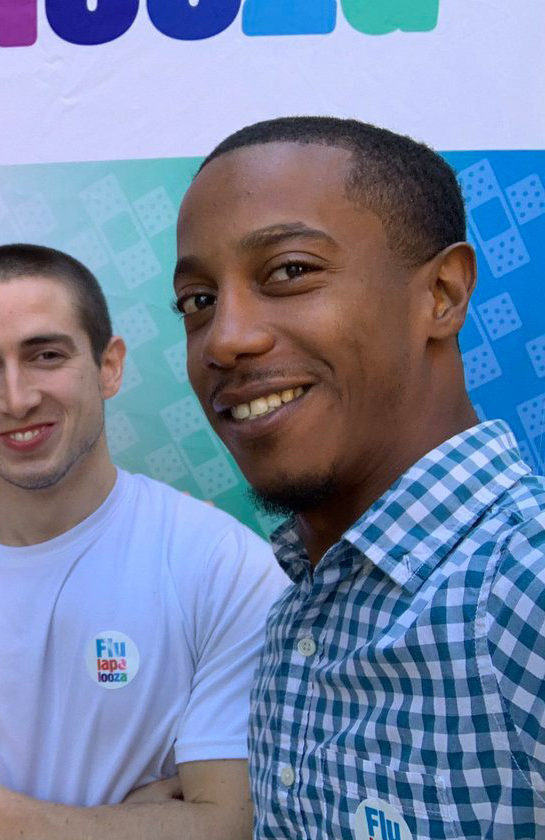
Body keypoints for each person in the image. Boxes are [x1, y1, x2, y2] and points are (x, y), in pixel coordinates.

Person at [0, 244, 288, 840]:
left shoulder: (224, 567)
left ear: (109, 365)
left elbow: (234, 827)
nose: (16, 397)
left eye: (45, 355)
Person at [175, 115, 545, 838]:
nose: (226, 338)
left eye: (289, 271)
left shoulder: (526, 585)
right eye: (198, 301)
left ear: (442, 293)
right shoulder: (295, 617)